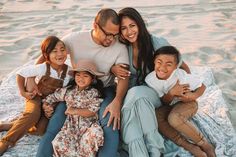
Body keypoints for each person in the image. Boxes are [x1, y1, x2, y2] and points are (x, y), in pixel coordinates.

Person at [35, 8, 129, 157]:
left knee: (110, 121)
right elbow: (50, 52)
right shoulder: (74, 39)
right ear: (96, 25)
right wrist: (33, 76)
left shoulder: (119, 47)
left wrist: (117, 101)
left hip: (105, 88)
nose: (111, 39)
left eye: (115, 35)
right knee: (56, 122)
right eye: (108, 34)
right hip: (77, 87)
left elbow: (124, 76)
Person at [111, 7, 190, 157]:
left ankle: (147, 151)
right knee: (135, 103)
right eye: (124, 28)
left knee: (136, 94)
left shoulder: (157, 43)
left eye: (132, 25)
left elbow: (183, 67)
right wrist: (113, 69)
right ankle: (146, 152)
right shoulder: (122, 48)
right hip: (133, 97)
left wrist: (181, 91)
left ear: (140, 24)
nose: (129, 32)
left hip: (158, 93)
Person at [0, 36, 71, 156]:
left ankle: (9, 125)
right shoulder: (43, 67)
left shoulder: (69, 72)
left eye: (62, 49)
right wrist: (23, 92)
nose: (60, 53)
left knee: (41, 130)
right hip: (35, 98)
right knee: (32, 114)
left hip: (48, 103)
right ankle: (6, 142)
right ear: (46, 55)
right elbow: (20, 74)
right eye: (54, 51)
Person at [145, 46, 216, 157]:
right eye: (159, 62)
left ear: (175, 67)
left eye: (169, 64)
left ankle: (205, 144)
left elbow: (202, 86)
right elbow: (165, 102)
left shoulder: (180, 75)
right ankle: (189, 146)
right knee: (156, 117)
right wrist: (172, 93)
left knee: (174, 118)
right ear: (154, 61)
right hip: (171, 104)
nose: (162, 67)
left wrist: (193, 96)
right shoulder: (150, 79)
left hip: (187, 103)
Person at [43, 59, 104, 157]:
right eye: (78, 75)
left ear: (92, 79)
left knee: (96, 133)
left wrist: (74, 110)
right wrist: (46, 105)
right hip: (70, 127)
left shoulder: (94, 92)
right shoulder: (68, 91)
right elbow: (52, 97)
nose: (81, 78)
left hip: (87, 126)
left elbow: (92, 111)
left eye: (85, 76)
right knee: (58, 143)